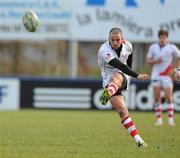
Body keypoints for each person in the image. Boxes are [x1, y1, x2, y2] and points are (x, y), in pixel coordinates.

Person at [98, 27, 150, 148]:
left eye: (117, 40)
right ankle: (139, 141)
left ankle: (108, 93)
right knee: (122, 111)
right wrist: (137, 75)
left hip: (123, 76)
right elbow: (119, 64)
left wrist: (131, 75)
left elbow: (128, 60)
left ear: (122, 39)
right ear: (108, 39)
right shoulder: (104, 50)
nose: (115, 42)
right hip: (108, 79)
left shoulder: (128, 46)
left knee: (116, 77)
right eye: (112, 40)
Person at [146, 29, 180, 126]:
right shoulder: (153, 47)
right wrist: (155, 61)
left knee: (168, 97)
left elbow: (179, 57)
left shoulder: (171, 47)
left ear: (167, 38)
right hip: (156, 74)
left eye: (164, 37)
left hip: (167, 75)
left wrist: (178, 69)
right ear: (158, 37)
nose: (162, 39)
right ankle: (159, 120)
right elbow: (148, 61)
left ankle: (170, 120)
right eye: (161, 37)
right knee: (157, 97)